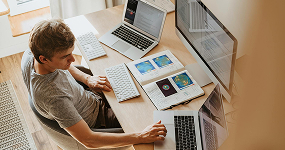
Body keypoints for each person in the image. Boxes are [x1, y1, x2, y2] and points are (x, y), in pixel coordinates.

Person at [21, 19, 167, 149]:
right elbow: (89, 140)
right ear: (44, 59)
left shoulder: (31, 54)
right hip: (99, 120)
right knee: (156, 121)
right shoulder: (54, 98)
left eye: (71, 52)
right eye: (66, 56)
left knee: (135, 80)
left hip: (88, 96)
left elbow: (65, 66)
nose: (72, 59)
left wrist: (87, 79)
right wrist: (141, 136)